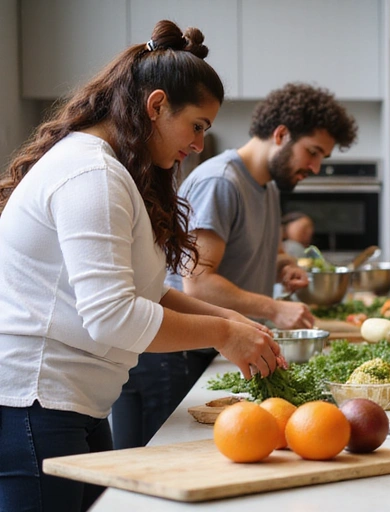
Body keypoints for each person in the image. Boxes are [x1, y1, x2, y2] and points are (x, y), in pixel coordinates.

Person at [0, 21, 281, 511]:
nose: (198, 144)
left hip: (69, 403)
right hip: (34, 402)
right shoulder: (91, 174)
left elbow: (143, 294)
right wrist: (222, 334)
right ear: (156, 106)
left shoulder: (111, 170)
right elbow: (113, 318)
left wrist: (232, 321)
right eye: (197, 126)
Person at [111, 83, 358, 449]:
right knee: (159, 471)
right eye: (313, 152)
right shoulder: (221, 182)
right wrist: (274, 307)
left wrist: (283, 268)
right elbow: (199, 282)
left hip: (207, 346)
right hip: (172, 357)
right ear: (281, 134)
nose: (316, 167)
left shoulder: (267, 187)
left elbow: (262, 252)